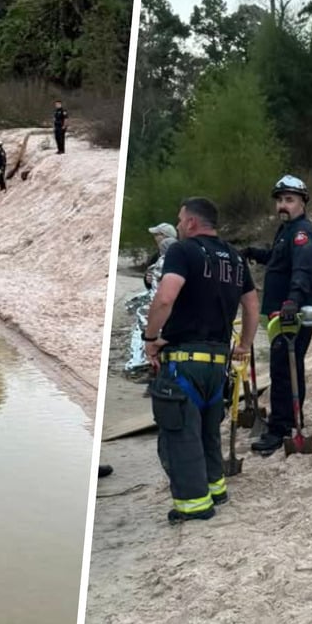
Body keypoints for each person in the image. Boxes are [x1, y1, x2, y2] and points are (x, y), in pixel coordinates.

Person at [142, 197, 260, 524]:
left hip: (184, 362)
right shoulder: (236, 259)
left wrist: (151, 338)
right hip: (217, 364)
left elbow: (166, 297)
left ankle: (194, 506)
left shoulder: (182, 251)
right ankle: (216, 489)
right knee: (209, 431)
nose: (178, 225)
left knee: (180, 435)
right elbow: (251, 305)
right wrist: (246, 344)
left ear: (192, 222)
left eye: (180, 220)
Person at [241, 175, 312, 457]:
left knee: (283, 368)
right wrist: (254, 253)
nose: (282, 205)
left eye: (289, 200)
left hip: (292, 313)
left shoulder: (302, 233)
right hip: (282, 312)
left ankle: (279, 430)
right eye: (279, 200)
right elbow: (279, 260)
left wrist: (292, 301)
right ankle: (290, 420)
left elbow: (303, 270)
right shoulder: (286, 231)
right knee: (288, 367)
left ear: (302, 202)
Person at [125, 223, 178, 376]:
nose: (155, 238)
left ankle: (141, 360)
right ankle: (141, 359)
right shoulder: (158, 257)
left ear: (165, 237)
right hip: (157, 298)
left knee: (144, 323)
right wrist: (148, 279)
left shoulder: (175, 255)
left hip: (165, 301)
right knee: (135, 308)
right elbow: (151, 283)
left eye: (157, 235)